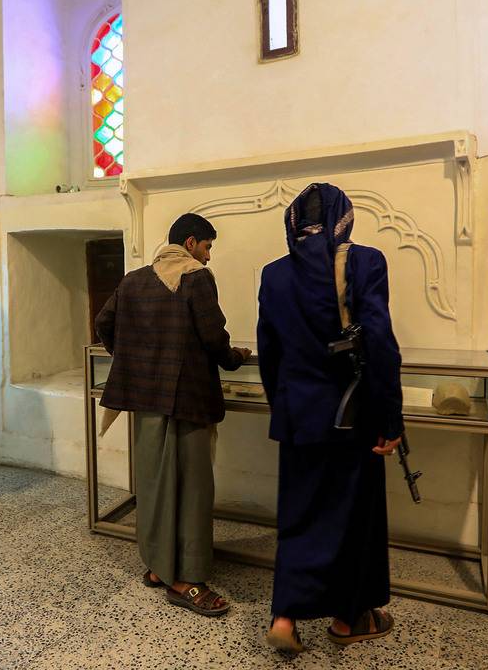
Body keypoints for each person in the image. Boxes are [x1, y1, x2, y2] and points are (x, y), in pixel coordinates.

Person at [256, 183, 403, 652]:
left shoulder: (274, 275)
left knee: (299, 514)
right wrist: (391, 418)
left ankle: (285, 616)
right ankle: (348, 619)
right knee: (354, 517)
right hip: (352, 415)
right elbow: (379, 342)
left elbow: (269, 352)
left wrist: (283, 406)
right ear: (346, 218)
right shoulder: (366, 262)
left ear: (293, 221)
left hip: (300, 415)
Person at [94, 213, 251, 617]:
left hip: (146, 402)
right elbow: (214, 337)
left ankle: (157, 567)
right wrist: (236, 359)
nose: (209, 255)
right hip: (189, 401)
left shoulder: (134, 280)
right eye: (208, 246)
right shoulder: (195, 277)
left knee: (155, 484)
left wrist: (135, 362)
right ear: (192, 242)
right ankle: (186, 581)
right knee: (192, 488)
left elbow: (104, 324)